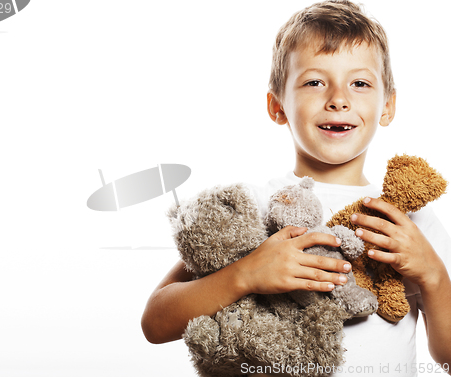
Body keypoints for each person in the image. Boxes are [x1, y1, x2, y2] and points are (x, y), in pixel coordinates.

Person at [141, 1, 451, 375]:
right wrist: (246, 274)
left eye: (360, 83)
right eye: (315, 82)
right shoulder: (254, 207)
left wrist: (432, 275)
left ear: (387, 105)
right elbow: (156, 323)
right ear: (277, 107)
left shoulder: (411, 221)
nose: (338, 99)